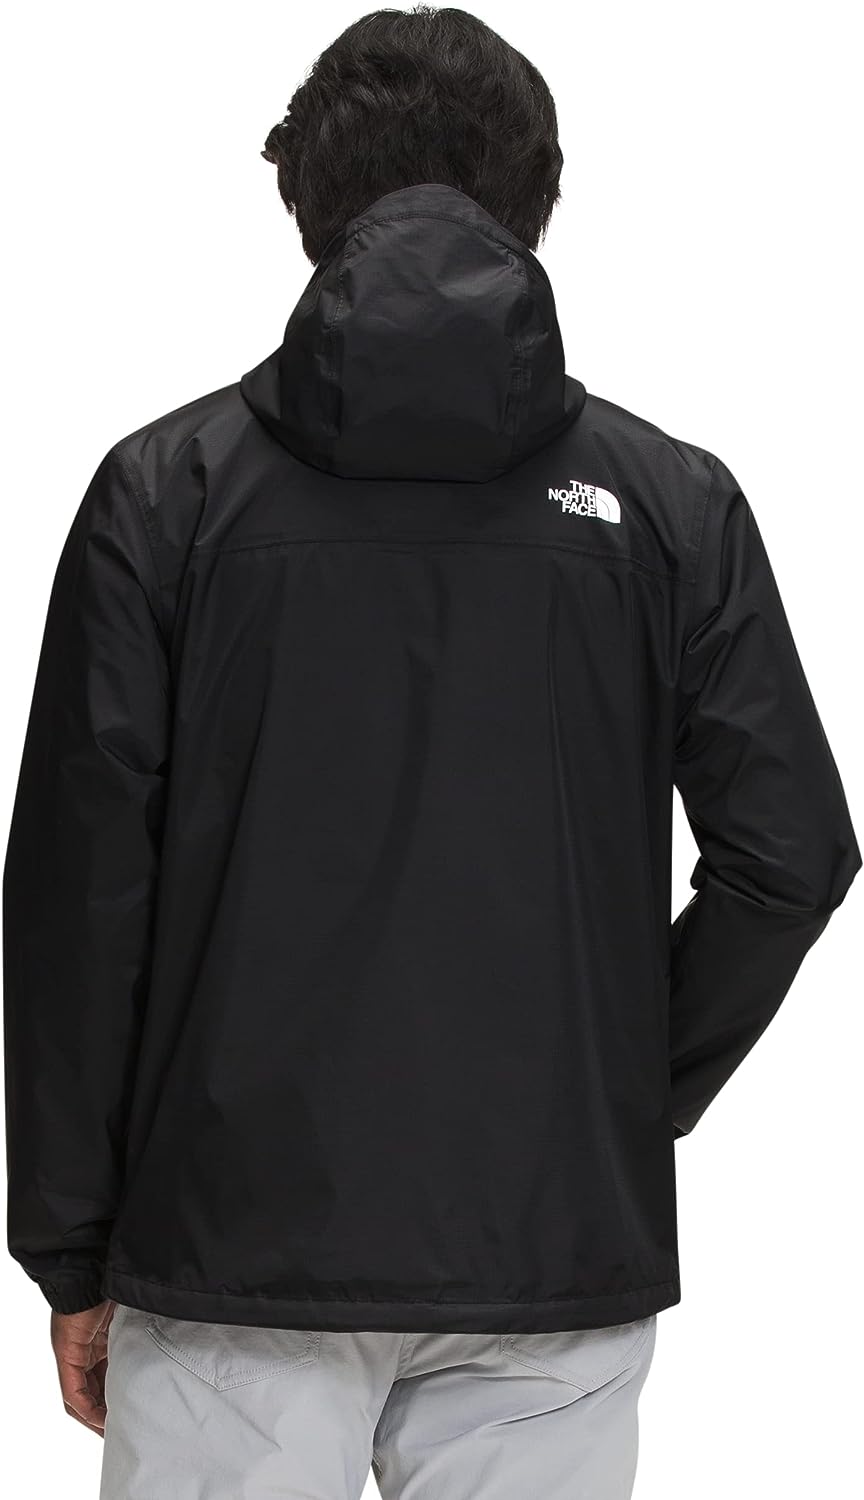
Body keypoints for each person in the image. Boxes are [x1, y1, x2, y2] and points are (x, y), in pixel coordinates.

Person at [3, 6, 860, 1498]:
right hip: (550, 1246)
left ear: (303, 205)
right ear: (539, 200)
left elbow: (81, 897)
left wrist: (70, 1246)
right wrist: (609, 1096)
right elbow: (789, 858)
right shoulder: (672, 503)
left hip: (232, 1249)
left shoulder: (166, 493)